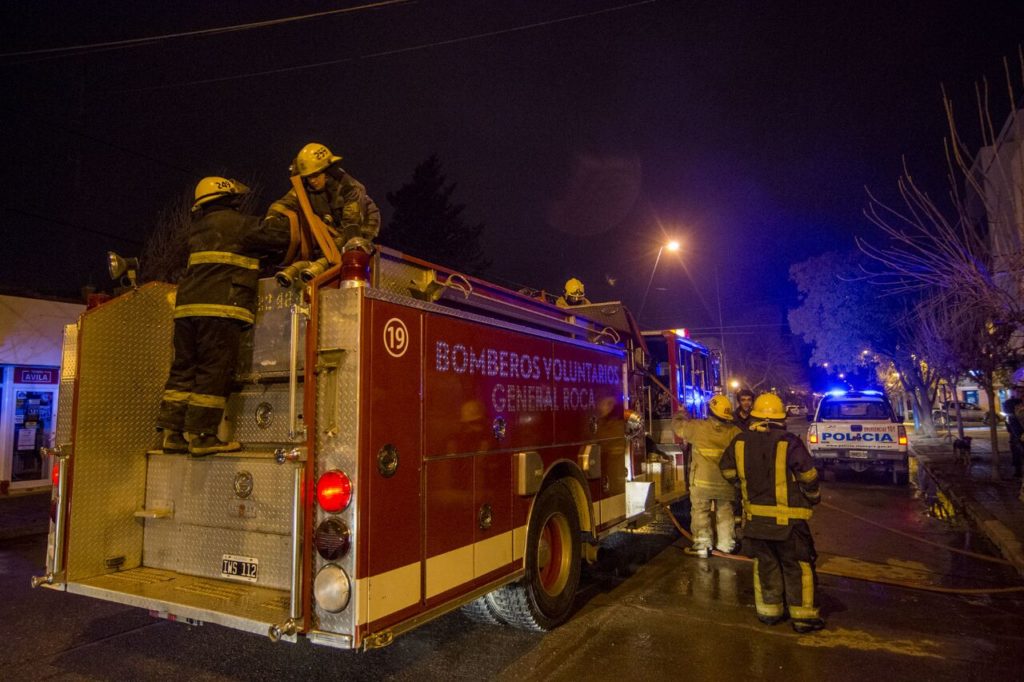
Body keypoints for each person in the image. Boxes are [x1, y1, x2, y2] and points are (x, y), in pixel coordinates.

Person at [157, 177, 290, 456]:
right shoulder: (238, 224)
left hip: (186, 312)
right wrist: (278, 212)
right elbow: (278, 236)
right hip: (220, 310)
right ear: (228, 199)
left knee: (184, 370)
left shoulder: (196, 231)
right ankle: (203, 437)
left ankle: (172, 434)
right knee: (214, 371)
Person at [719, 393, 824, 634]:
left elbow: (726, 469)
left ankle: (770, 613)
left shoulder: (740, 441)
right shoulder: (790, 442)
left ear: (755, 415)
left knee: (765, 566)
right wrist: (813, 497)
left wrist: (743, 485)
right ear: (781, 417)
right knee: (797, 567)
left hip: (756, 521)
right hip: (789, 524)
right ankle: (804, 618)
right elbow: (808, 476)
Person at [265, 142, 381, 252]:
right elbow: (285, 203)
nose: (313, 181)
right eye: (309, 177)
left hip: (363, 222)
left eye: (316, 175)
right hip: (333, 223)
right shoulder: (306, 185)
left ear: (327, 171)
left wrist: (334, 246)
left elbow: (351, 224)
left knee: (352, 250)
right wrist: (271, 219)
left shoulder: (350, 188)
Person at [673, 394, 742, 557]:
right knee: (725, 513)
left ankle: (703, 545)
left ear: (710, 411)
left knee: (700, 512)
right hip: (726, 483)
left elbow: (678, 427)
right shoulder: (735, 432)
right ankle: (726, 545)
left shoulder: (697, 427)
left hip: (702, 482)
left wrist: (681, 413)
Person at [1004, 388, 1023, 478]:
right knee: (1016, 452)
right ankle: (1017, 471)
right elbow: (1009, 419)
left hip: (1017, 432)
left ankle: (1018, 471)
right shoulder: (1010, 403)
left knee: (1017, 451)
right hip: (1016, 433)